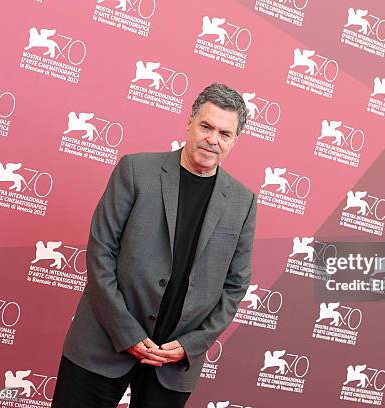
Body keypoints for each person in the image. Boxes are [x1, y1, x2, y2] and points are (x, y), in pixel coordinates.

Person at [51, 83, 257, 408]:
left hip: (173, 364)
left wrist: (191, 345)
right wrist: (126, 331)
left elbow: (235, 286)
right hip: (103, 342)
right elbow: (101, 252)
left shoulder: (243, 202)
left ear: (234, 140)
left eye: (224, 133)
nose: (212, 139)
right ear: (189, 123)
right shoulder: (135, 170)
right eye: (206, 126)